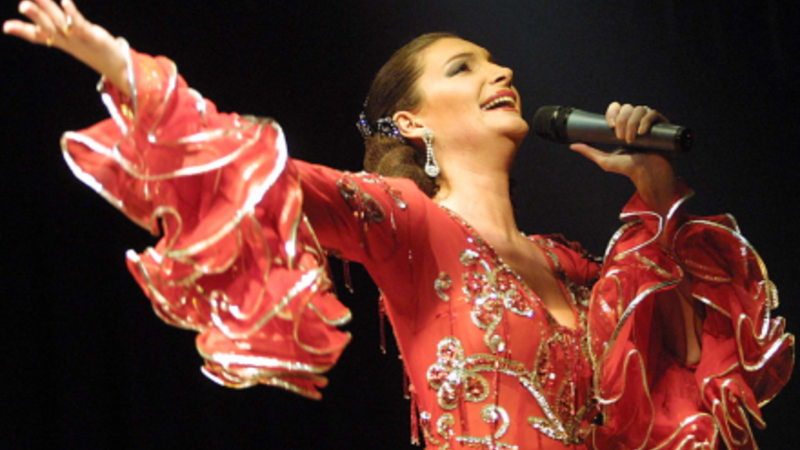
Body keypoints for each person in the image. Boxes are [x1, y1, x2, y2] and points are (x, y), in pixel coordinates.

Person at [4, 1, 793, 449]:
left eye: (495, 61)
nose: (501, 72)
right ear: (412, 123)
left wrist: (655, 187)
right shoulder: (410, 224)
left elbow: (691, 370)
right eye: (464, 67)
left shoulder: (573, 266)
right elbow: (262, 169)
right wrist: (122, 66)